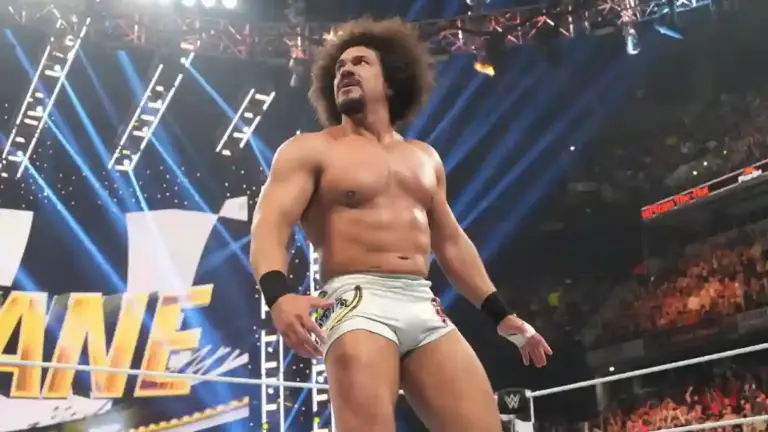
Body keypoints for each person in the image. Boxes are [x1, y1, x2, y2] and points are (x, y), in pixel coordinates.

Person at [250, 17, 552, 432]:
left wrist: (501, 314)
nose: (346, 70)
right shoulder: (309, 150)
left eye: (360, 62)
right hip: (356, 301)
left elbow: (450, 242)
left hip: (422, 303)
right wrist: (278, 295)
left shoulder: (424, 157)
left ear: (390, 81)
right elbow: (270, 224)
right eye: (339, 67)